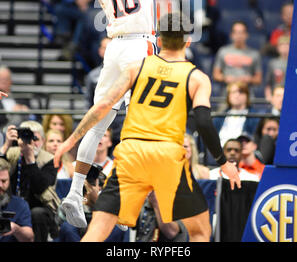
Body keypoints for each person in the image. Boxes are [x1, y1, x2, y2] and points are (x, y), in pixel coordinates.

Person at [58, 0, 207, 229]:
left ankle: (75, 193)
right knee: (149, 125)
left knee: (98, 125)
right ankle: (132, 200)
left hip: (115, 48)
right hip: (141, 47)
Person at [54, 12, 241, 242]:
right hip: (167, 156)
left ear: (158, 40)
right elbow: (203, 122)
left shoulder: (137, 67)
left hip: (131, 154)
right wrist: (223, 163)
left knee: (96, 232)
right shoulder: (196, 77)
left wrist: (70, 141)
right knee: (201, 232)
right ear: (188, 41)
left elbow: (102, 105)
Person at [1, 121, 60, 241]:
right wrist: (6, 145)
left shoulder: (50, 159)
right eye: (26, 137)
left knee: (37, 213)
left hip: (40, 206)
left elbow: (39, 187)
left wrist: (30, 159)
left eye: (35, 138)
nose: (31, 142)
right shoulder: (14, 153)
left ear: (43, 141)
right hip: (13, 202)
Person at [212, 81, 262, 149]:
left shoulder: (255, 117)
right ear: (228, 96)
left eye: (241, 92)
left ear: (247, 96)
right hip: (220, 151)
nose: (236, 95)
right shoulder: (219, 117)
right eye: (233, 92)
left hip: (242, 152)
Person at [212, 21, 263, 88]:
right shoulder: (223, 51)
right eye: (236, 33)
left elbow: (258, 79)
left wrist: (250, 79)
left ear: (246, 35)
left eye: (241, 32)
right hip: (227, 92)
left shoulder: (255, 54)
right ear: (231, 35)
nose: (239, 35)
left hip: (247, 93)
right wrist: (225, 78)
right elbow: (215, 75)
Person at [0, 158, 34, 243]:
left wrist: (16, 229)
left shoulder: (20, 204)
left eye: (4, 181)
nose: (0, 185)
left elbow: (29, 238)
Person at [0, 66, 30, 130]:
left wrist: (24, 110)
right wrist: (12, 113)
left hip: (22, 128)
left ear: (11, 81)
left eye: (6, 79)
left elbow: (33, 115)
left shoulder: (21, 96)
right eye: (1, 79)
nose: (4, 81)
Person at [265, 35, 289, 101]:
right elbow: (268, 84)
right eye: (282, 45)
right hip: (277, 95)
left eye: (287, 45)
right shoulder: (272, 63)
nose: (284, 47)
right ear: (278, 48)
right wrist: (269, 97)